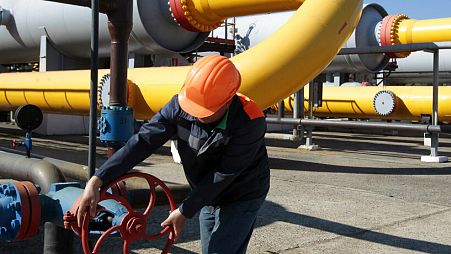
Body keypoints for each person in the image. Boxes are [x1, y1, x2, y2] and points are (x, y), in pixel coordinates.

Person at [77, 55, 270, 253]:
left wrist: (184, 211)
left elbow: (225, 173)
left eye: (204, 111)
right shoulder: (180, 106)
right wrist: (98, 179)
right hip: (206, 192)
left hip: (242, 192)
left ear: (227, 102)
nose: (195, 114)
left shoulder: (250, 120)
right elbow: (142, 142)